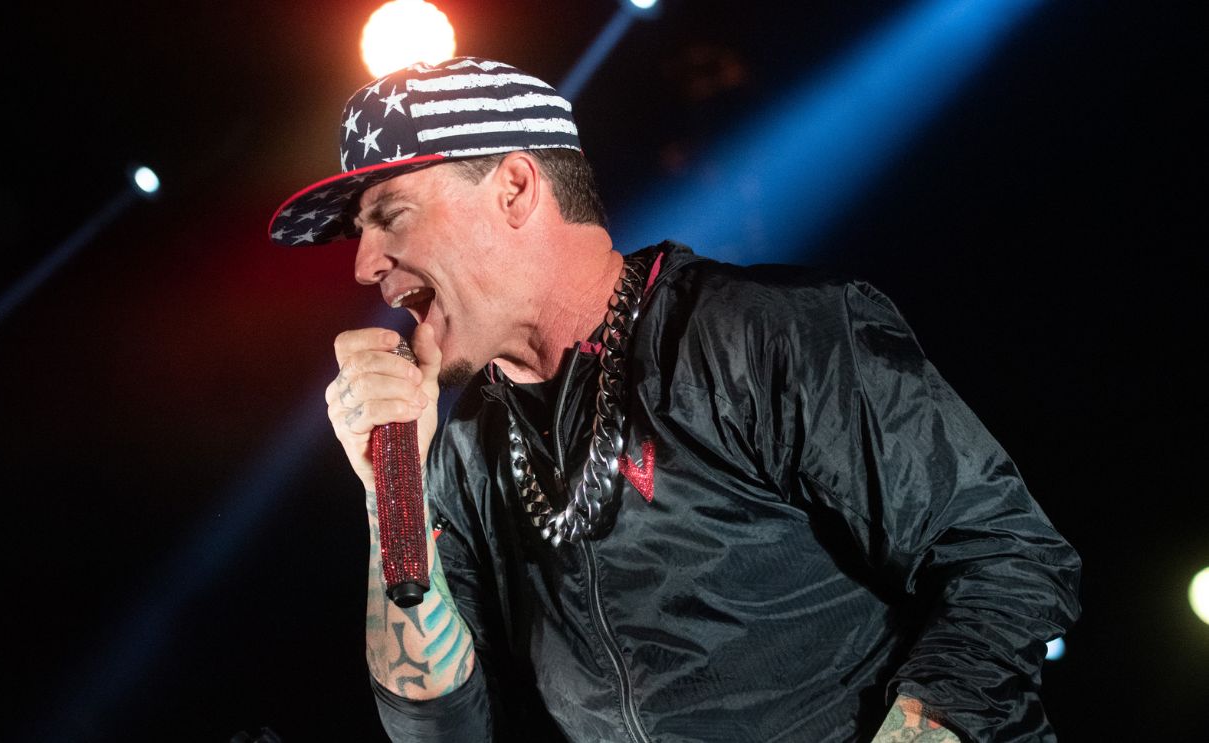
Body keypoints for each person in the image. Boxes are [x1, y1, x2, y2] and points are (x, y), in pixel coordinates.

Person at [269, 57, 1081, 742]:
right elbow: (440, 727)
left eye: (391, 216)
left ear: (514, 188)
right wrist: (390, 491)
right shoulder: (464, 447)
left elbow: (1005, 561)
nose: (364, 263)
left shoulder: (764, 335)